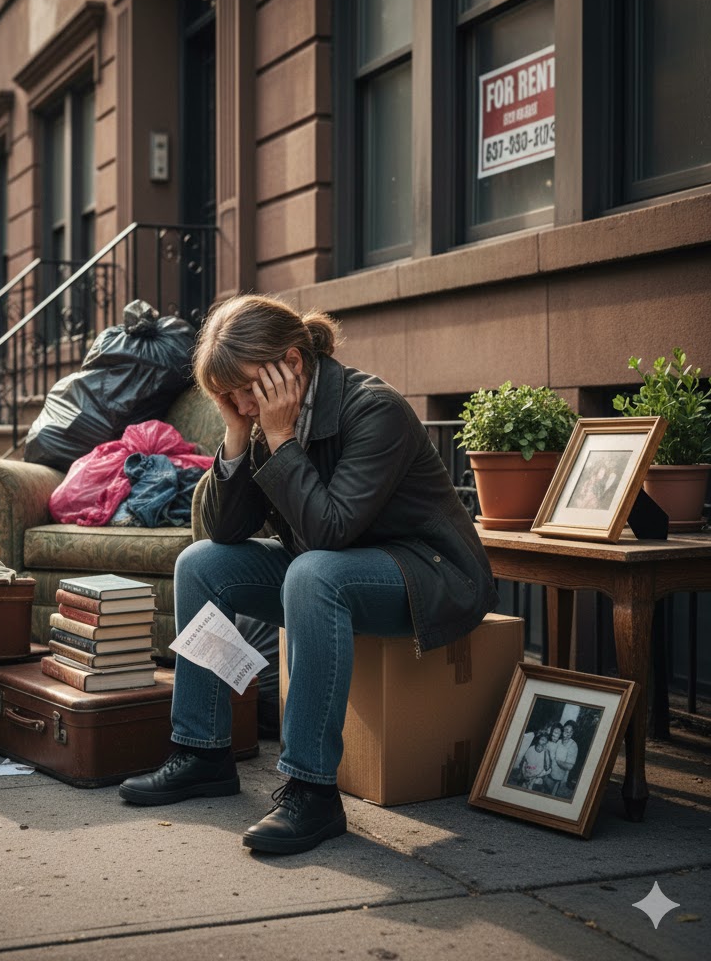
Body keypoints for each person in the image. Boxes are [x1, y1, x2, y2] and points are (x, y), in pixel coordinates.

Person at [118, 294, 498, 854]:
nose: (241, 404)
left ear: (292, 363)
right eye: (227, 396)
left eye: (245, 389)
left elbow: (329, 531)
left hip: (428, 574)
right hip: (333, 569)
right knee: (200, 565)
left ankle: (312, 791)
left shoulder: (374, 410)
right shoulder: (260, 417)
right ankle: (203, 753)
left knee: (313, 572)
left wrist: (279, 438)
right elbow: (222, 531)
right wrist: (238, 435)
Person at [551, 719, 579, 798]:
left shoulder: (573, 745)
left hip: (558, 779)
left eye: (571, 731)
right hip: (547, 773)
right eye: (566, 730)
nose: (568, 733)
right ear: (563, 729)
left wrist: (557, 761)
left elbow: (570, 766)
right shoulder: (558, 740)